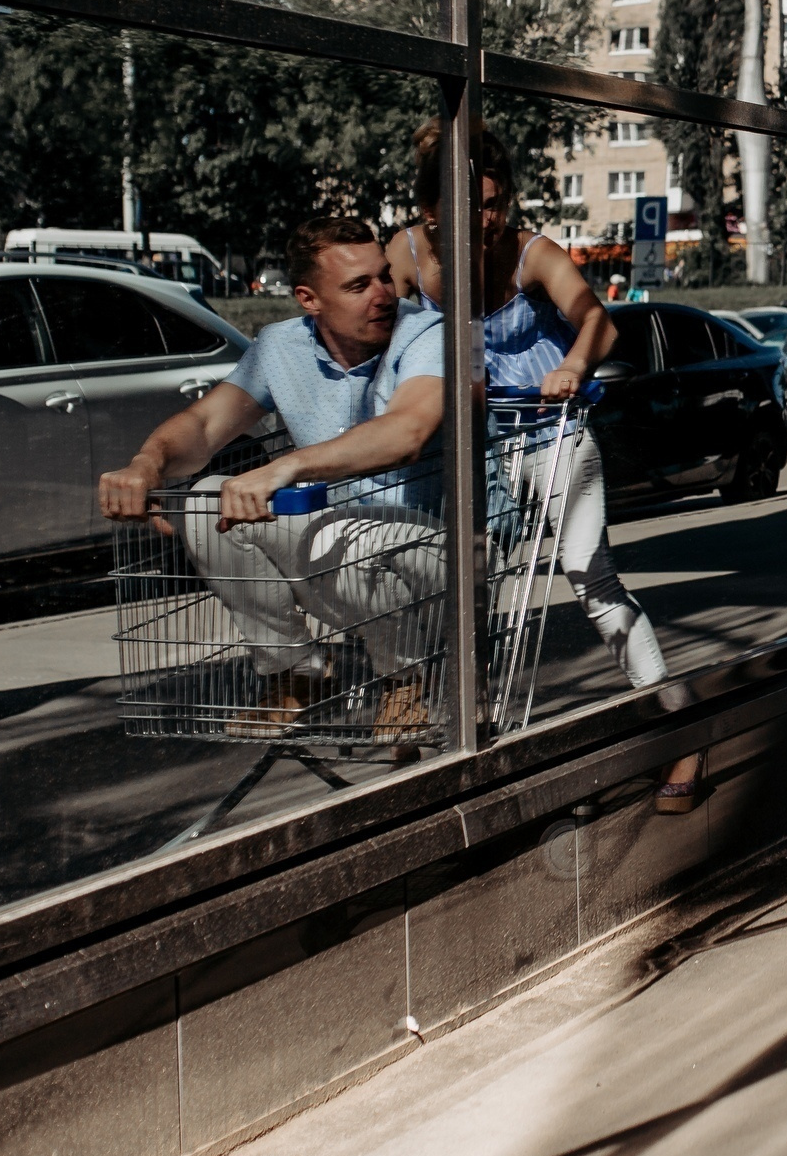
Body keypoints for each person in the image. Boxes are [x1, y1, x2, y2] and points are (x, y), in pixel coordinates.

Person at [389, 125, 688, 805]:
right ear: (432, 207)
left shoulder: (530, 253)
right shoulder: (407, 255)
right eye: (471, 204)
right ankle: (467, 747)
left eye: (494, 202)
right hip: (474, 445)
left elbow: (597, 319)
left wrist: (573, 363)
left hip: (550, 432)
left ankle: (678, 729)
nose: (485, 218)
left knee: (592, 577)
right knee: (472, 590)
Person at [99, 217, 446, 740]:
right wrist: (147, 465)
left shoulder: (427, 335)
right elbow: (202, 424)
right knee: (205, 502)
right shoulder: (280, 347)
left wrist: (283, 468)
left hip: (440, 548)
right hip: (343, 544)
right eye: (357, 286)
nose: (383, 295)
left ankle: (407, 680)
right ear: (309, 299)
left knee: (340, 535)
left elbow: (408, 431)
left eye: (383, 277)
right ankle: (292, 671)